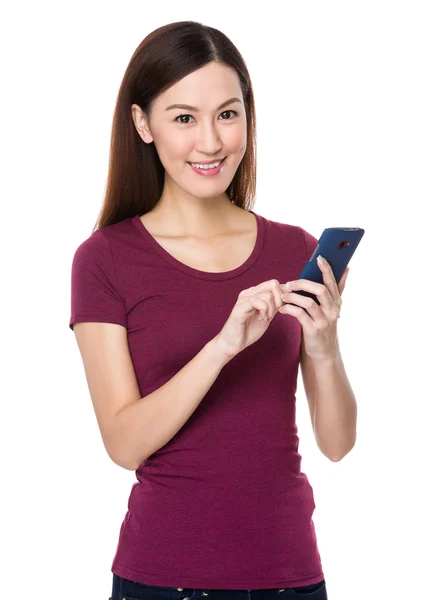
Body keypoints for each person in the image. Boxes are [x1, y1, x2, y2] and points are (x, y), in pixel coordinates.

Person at [69, 20, 357, 600]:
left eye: (228, 114)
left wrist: (324, 344)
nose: (210, 141)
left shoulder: (293, 248)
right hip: (163, 579)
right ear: (142, 124)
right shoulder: (104, 259)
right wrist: (222, 346)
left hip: (292, 577)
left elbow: (337, 443)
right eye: (184, 118)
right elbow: (124, 445)